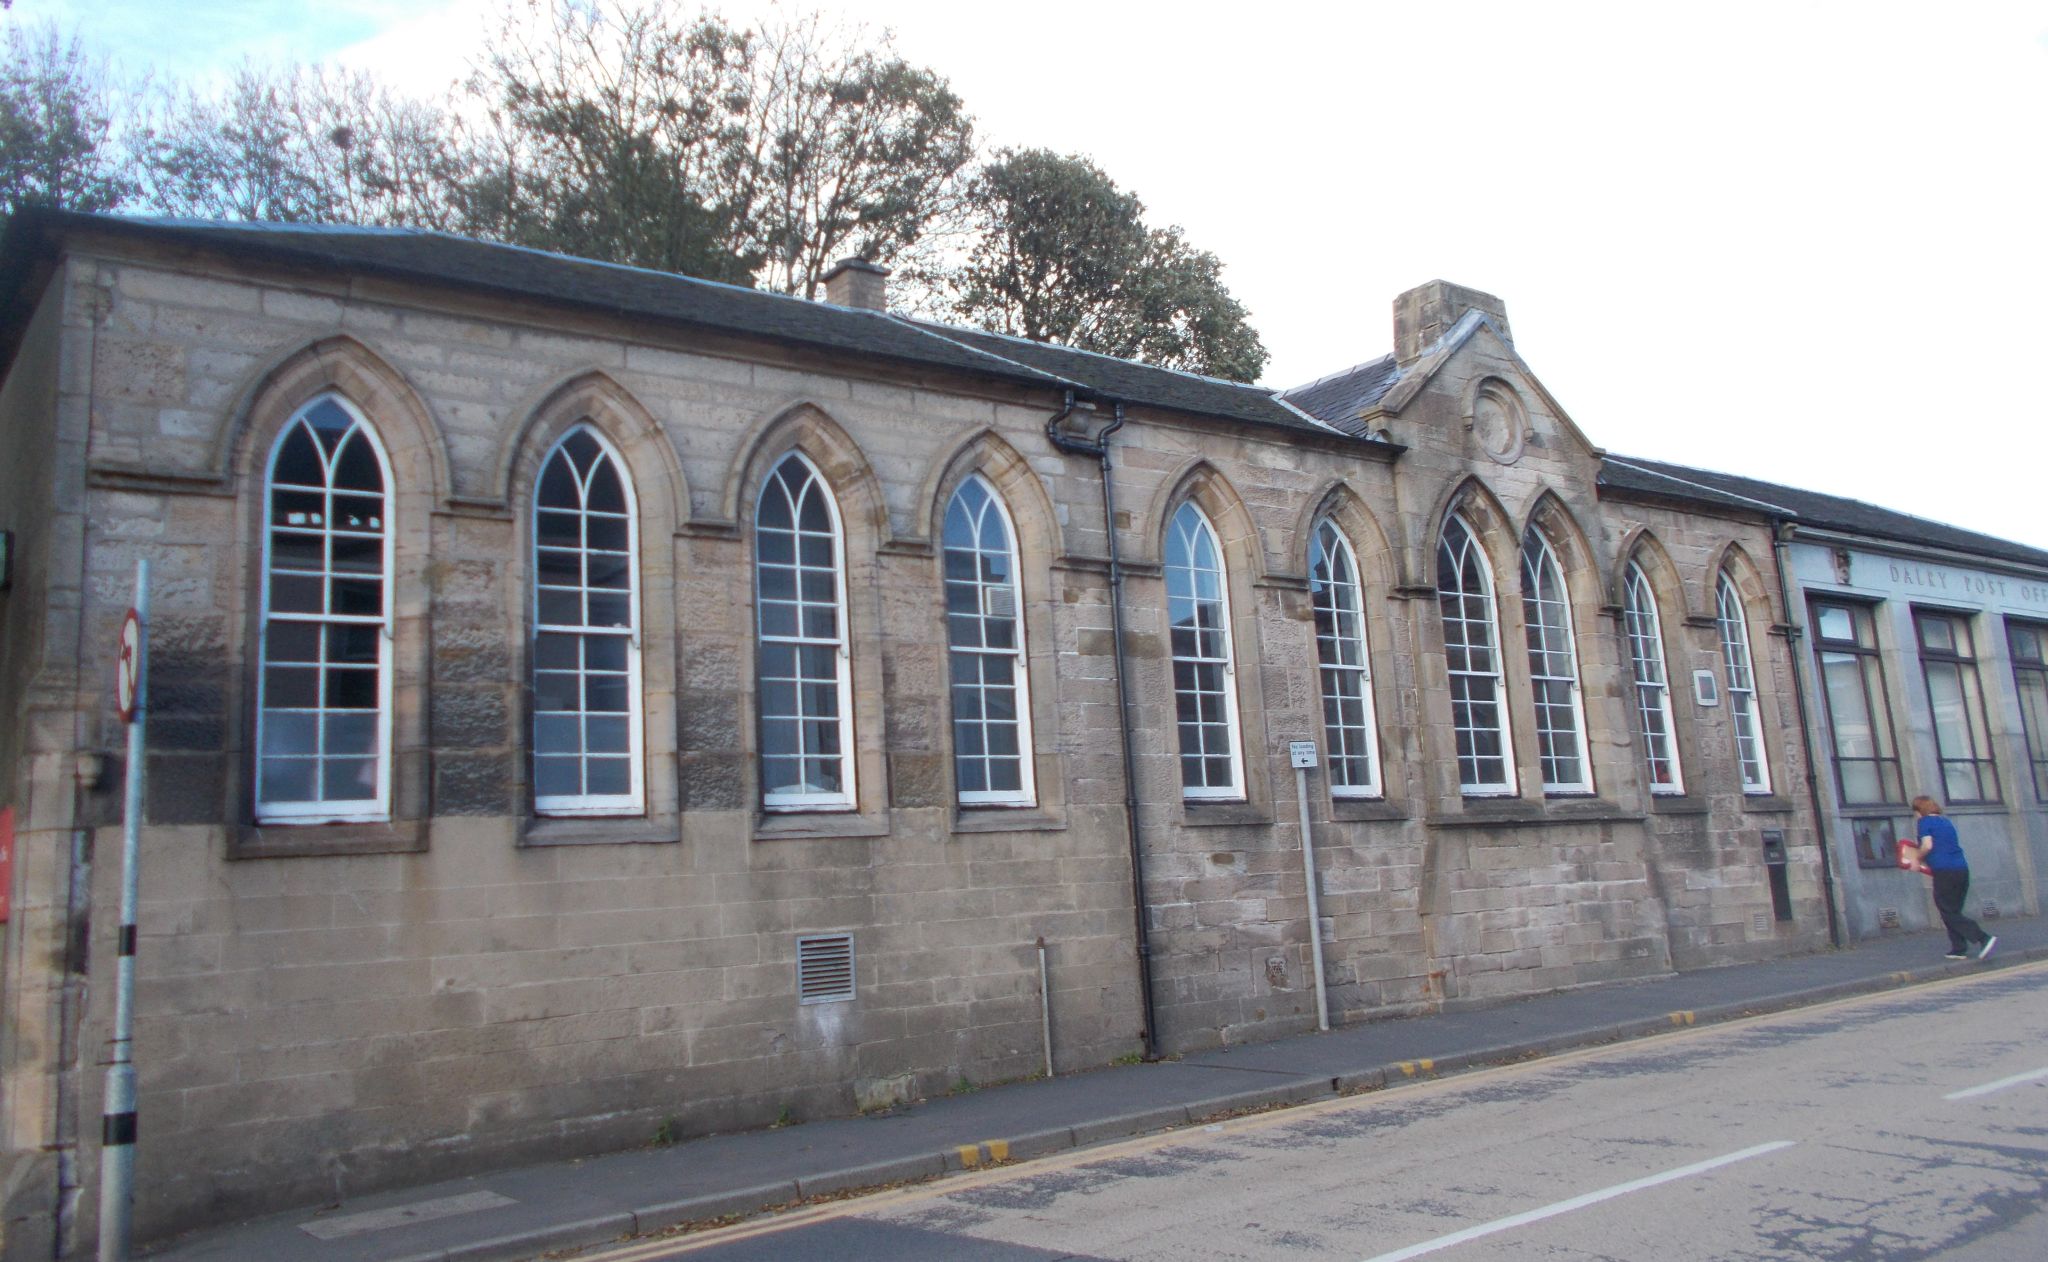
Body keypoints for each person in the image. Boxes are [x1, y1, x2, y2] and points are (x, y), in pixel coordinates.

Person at [1912, 795, 1996, 961]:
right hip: (1961, 869)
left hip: (1944, 872)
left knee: (1947, 910)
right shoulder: (1945, 822)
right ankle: (1958, 948)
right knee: (1953, 910)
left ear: (1919, 810)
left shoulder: (1924, 823)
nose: (1914, 815)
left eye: (1914, 811)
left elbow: (1927, 845)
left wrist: (1916, 859)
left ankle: (1983, 938)